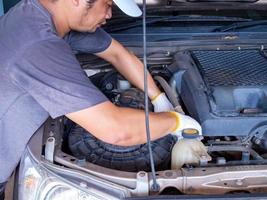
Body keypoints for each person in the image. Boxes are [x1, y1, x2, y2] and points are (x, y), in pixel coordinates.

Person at [0, 0, 202, 198]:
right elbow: (116, 130)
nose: (109, 15)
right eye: (108, 4)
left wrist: (158, 98)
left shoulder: (40, 14)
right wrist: (176, 122)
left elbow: (117, 54)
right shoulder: (37, 44)